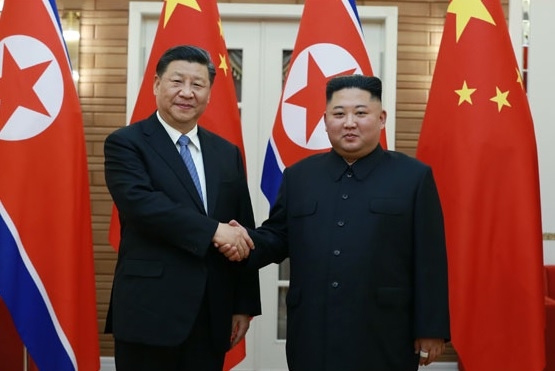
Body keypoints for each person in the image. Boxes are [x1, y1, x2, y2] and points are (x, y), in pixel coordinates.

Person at [221, 74, 450, 370]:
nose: (349, 122)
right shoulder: (299, 176)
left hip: (385, 331)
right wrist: (245, 241)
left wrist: (430, 328)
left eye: (361, 113)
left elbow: (429, 259)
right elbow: (278, 237)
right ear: (325, 120)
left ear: (381, 119)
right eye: (339, 114)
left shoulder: (413, 177)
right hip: (313, 331)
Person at [104, 45, 261, 371]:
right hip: (149, 312)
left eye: (198, 84)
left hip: (211, 312)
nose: (186, 93)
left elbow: (242, 226)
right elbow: (141, 206)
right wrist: (213, 231)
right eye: (177, 81)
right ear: (157, 85)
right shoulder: (127, 143)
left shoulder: (226, 152)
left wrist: (243, 303)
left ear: (209, 92)